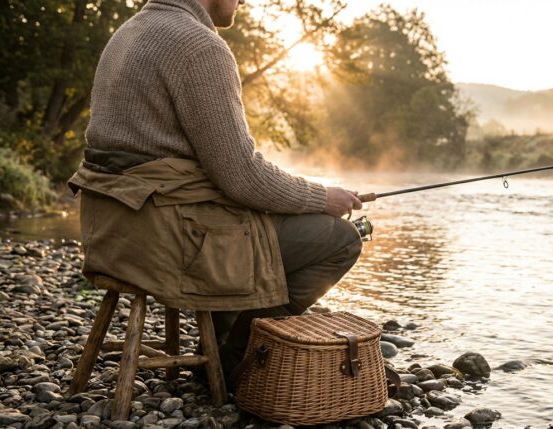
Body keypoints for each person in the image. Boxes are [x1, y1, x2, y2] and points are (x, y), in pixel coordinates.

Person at [67, 0, 363, 384]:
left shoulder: (130, 31)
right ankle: (237, 360)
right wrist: (323, 198)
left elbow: (221, 178)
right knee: (340, 239)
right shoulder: (199, 45)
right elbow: (242, 177)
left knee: (253, 222)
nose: (244, 1)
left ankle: (226, 337)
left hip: (112, 233)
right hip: (164, 241)